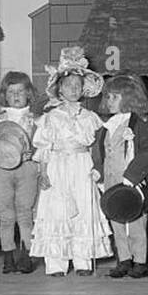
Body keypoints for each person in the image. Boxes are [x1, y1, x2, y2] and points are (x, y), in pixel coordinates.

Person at [31, 47, 113, 276]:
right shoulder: (50, 117)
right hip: (58, 164)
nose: (73, 90)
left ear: (84, 89)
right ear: (59, 89)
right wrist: (44, 172)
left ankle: (83, 260)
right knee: (58, 208)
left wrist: (97, 168)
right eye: (68, 86)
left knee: (84, 207)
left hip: (81, 164)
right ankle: (56, 262)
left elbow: (98, 146)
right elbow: (44, 146)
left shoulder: (90, 117)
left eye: (78, 86)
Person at [95, 74, 148, 279]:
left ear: (128, 98)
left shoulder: (141, 123)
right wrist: (99, 172)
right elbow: (102, 151)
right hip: (112, 180)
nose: (108, 101)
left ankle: (140, 261)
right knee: (116, 220)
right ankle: (124, 260)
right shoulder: (108, 126)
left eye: (114, 97)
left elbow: (147, 153)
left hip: (132, 181)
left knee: (137, 222)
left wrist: (132, 176)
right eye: (108, 97)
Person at [0, 70, 42, 275]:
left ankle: (26, 256)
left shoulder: (37, 119)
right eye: (11, 91)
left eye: (21, 91)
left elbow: (44, 144)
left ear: (29, 93)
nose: (16, 96)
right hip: (1, 171)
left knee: (25, 214)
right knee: (6, 216)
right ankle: (8, 256)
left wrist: (32, 154)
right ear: (4, 95)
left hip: (27, 169)